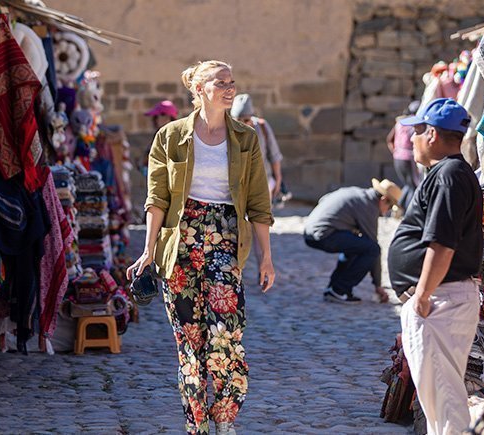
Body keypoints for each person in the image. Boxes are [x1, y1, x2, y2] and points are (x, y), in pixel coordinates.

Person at [126, 60, 275, 435]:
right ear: (198, 90)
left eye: (232, 82)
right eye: (220, 82)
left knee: (227, 334)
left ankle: (225, 419)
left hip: (224, 238)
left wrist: (265, 259)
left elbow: (259, 203)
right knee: (190, 342)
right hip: (180, 242)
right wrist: (148, 251)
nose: (229, 88)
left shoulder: (246, 138)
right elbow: (156, 198)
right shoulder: (170, 136)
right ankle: (198, 425)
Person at [387, 98, 483, 434]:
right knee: (439, 395)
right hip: (442, 298)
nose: (410, 139)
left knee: (443, 396)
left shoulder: (449, 175)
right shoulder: (450, 173)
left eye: (415, 132)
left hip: (439, 300)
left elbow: (442, 242)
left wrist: (423, 295)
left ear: (430, 134)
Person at [303, 179, 400, 304]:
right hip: (323, 234)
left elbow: (324, 199)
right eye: (390, 207)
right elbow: (373, 247)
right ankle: (339, 290)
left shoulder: (358, 194)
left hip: (310, 232)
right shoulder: (369, 206)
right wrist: (378, 285)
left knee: (357, 246)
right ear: (383, 199)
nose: (387, 211)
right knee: (371, 249)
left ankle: (334, 288)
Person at [230, 94, 283, 200]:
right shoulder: (227, 131)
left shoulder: (262, 127)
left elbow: (274, 155)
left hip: (263, 182)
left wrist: (278, 179)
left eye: (246, 120)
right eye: (238, 120)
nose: (242, 124)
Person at [385, 100, 421, 214]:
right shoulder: (415, 123)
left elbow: (389, 139)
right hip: (409, 158)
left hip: (397, 157)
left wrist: (397, 151)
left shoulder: (400, 122)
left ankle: (399, 207)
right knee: (414, 186)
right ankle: (409, 212)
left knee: (408, 184)